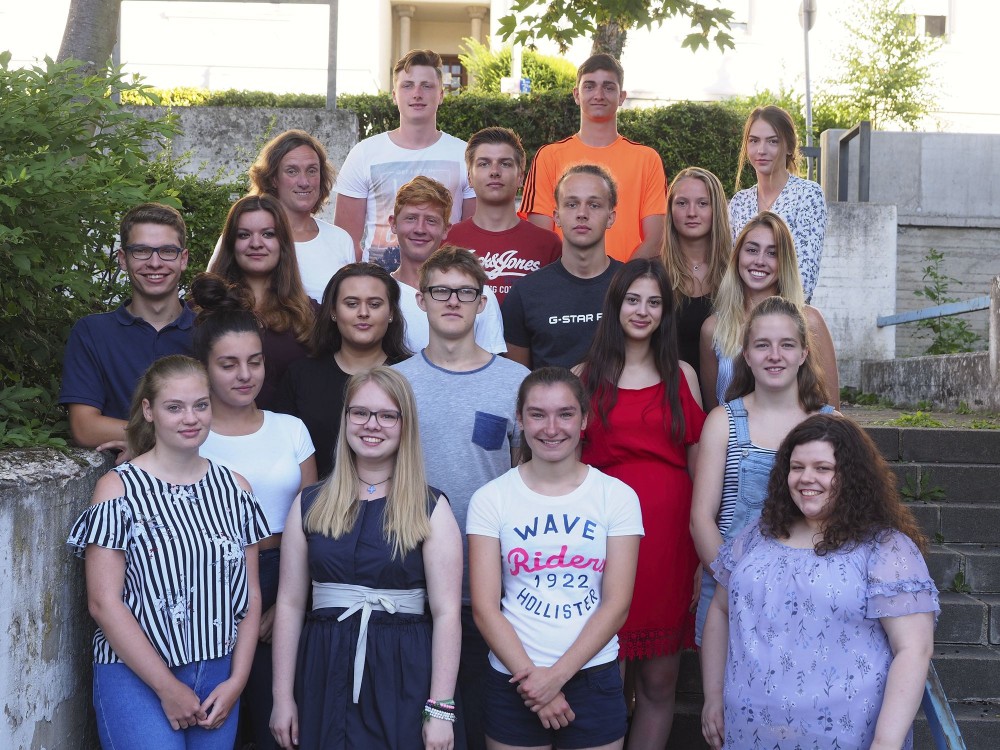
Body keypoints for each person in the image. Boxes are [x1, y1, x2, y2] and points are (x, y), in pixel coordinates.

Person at [700, 414, 939, 750]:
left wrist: (886, 742)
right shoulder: (757, 535)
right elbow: (719, 610)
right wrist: (713, 696)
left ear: (852, 476)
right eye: (796, 467)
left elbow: (914, 649)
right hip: (748, 733)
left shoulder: (885, 549)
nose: (806, 478)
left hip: (846, 738)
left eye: (823, 468)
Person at [67, 355, 269, 749]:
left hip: (218, 675)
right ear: (149, 411)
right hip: (136, 676)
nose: (190, 418)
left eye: (200, 405)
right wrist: (166, 687)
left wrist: (238, 680)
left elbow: (250, 597)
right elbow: (103, 603)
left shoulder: (237, 490)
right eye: (174, 407)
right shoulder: (118, 490)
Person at [269, 366, 464, 750]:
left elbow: (446, 613)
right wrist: (282, 698)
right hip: (324, 668)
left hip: (403, 671)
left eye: (387, 415)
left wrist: (441, 709)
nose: (371, 424)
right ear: (345, 419)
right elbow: (289, 605)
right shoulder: (310, 503)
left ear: (405, 425)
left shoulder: (430, 507)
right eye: (360, 412)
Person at [393, 245, 528, 750]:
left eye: (465, 293)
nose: (453, 301)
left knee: (477, 724)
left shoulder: (515, 382)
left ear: (482, 303)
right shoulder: (396, 382)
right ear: (421, 300)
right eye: (441, 291)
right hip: (406, 580)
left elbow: (527, 479)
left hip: (486, 586)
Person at [467, 367, 644, 750]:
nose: (551, 428)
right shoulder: (491, 499)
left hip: (592, 675)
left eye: (565, 414)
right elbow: (484, 608)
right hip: (514, 677)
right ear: (519, 418)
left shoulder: (617, 497)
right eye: (537, 414)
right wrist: (534, 682)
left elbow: (617, 605)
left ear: (584, 419)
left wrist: (555, 679)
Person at [577, 259, 705, 750]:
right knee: (604, 677)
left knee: (658, 681)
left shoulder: (683, 376)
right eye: (633, 299)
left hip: (668, 544)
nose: (642, 311)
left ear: (665, 313)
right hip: (601, 542)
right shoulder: (583, 376)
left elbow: (701, 470)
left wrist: (702, 551)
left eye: (654, 302)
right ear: (615, 304)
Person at [190, 273, 317, 750]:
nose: (245, 375)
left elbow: (312, 523)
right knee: (210, 720)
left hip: (284, 573)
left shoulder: (290, 429)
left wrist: (286, 601)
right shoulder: (188, 434)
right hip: (206, 584)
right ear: (204, 367)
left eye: (255, 361)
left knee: (275, 726)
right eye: (229, 364)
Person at [690, 296, 837, 646]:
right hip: (728, 589)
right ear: (746, 354)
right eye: (762, 345)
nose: (774, 355)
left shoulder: (832, 426)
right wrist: (737, 581)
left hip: (809, 593)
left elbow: (846, 516)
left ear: (803, 353)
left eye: (787, 345)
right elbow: (701, 519)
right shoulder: (722, 422)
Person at [59, 202, 195, 459]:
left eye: (167, 251)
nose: (155, 263)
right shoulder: (92, 332)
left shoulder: (208, 331)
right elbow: (84, 427)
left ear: (183, 259)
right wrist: (180, 436)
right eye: (141, 251)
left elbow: (230, 420)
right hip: (124, 479)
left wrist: (139, 440)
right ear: (123, 258)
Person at [335, 49, 476, 271]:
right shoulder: (364, 153)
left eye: (427, 86)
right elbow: (345, 243)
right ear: (394, 95)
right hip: (379, 284)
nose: (417, 94)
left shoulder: (465, 155)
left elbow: (471, 238)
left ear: (441, 95)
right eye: (407, 85)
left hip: (444, 280)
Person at [520, 53, 666, 262]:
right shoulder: (548, 157)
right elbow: (540, 239)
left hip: (627, 280)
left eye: (608, 87)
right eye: (589, 86)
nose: (599, 95)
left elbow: (656, 238)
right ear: (576, 94)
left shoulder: (647, 159)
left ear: (622, 96)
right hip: (563, 279)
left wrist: (622, 279)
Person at [275, 263, 412, 479]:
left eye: (375, 304)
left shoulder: (412, 375)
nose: (363, 313)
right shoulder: (301, 376)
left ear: (391, 313)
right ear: (333, 311)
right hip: (315, 498)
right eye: (351, 304)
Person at [699, 211, 840, 411]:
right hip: (732, 431)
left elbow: (832, 411)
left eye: (772, 253)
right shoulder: (713, 328)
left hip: (797, 432)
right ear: (737, 255)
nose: (760, 260)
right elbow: (713, 411)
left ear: (785, 261)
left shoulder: (809, 321)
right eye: (752, 250)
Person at [208, 129, 355, 302]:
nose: (304, 182)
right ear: (273, 179)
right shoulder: (244, 238)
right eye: (292, 171)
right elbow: (212, 300)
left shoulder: (340, 240)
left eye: (312, 170)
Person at [502, 164, 622, 369]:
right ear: (556, 216)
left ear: (610, 218)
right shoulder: (525, 293)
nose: (582, 213)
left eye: (594, 205)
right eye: (572, 204)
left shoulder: (633, 286)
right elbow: (517, 380)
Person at [208, 194, 316, 410]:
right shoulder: (204, 309)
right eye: (244, 235)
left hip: (290, 429)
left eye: (268, 234)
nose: (256, 243)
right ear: (231, 244)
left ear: (282, 243)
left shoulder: (310, 314)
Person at [388, 176, 505, 354]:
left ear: (446, 230)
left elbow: (491, 367)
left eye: (431, 220)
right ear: (393, 224)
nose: (420, 229)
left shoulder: (475, 294)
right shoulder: (380, 296)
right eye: (411, 218)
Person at [445, 126, 561, 304]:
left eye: (505, 164)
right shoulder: (448, 241)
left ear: (521, 177)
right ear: (469, 177)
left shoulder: (548, 244)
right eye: (484, 164)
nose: (494, 171)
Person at [729, 105, 827, 302]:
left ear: (789, 147)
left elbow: (805, 279)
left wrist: (768, 313)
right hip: (740, 313)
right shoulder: (739, 202)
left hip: (788, 313)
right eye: (754, 140)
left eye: (773, 141)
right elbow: (730, 269)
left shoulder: (808, 195)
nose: (761, 150)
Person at [661, 167, 732, 381]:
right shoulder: (654, 274)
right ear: (670, 210)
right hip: (670, 393)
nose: (691, 212)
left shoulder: (737, 272)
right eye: (682, 203)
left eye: (702, 203)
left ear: (716, 209)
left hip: (726, 395)